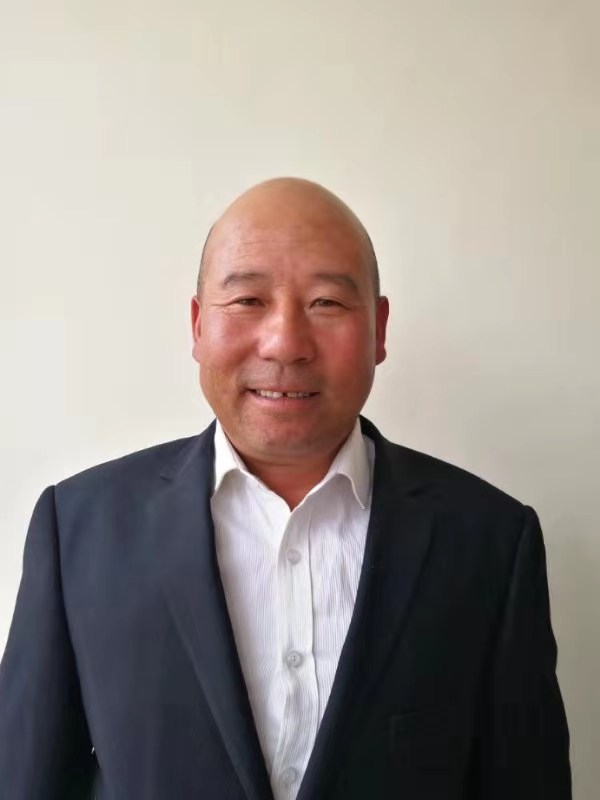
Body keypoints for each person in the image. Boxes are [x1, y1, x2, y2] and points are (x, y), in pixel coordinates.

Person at [0, 177, 571, 799]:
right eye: (247, 300)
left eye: (326, 302)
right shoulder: (78, 530)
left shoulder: (490, 542)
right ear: (198, 324)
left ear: (379, 329)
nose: (285, 343)